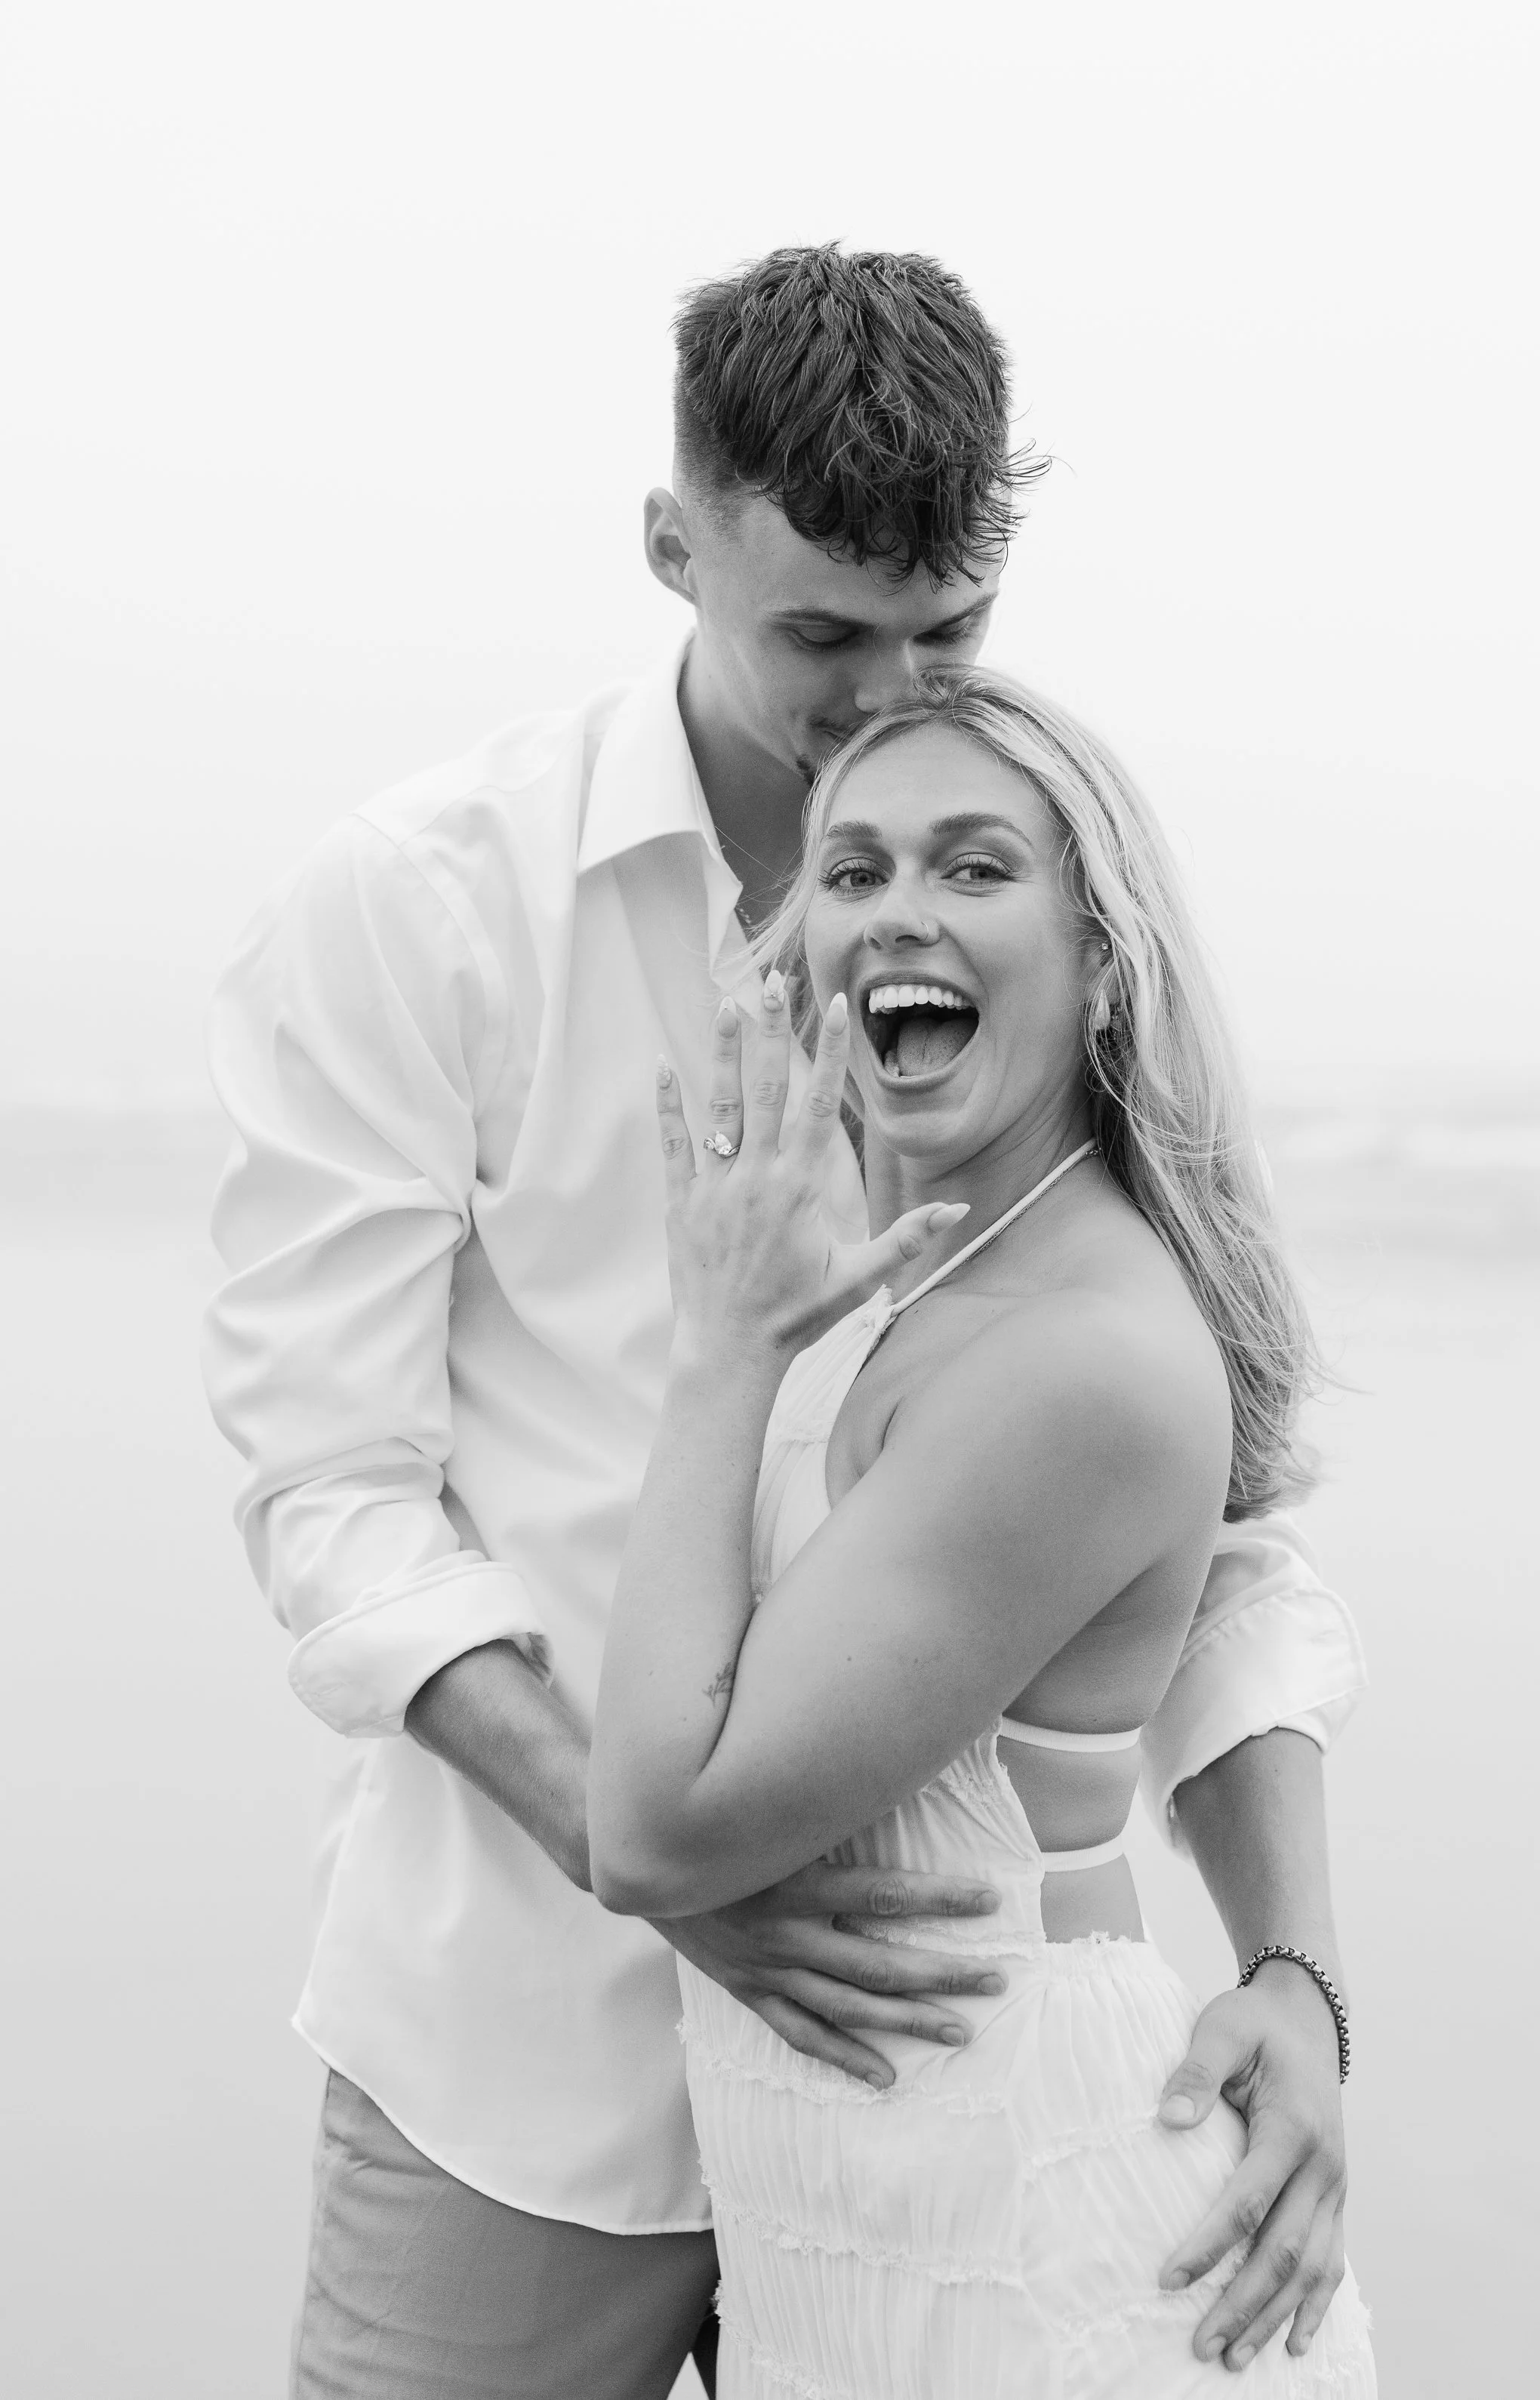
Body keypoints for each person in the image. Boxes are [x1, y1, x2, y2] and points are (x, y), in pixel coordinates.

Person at [204, 246, 1366, 2399]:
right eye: (823, 635)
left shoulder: (1031, 893)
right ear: (674, 547)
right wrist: (663, 1867)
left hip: (958, 2108)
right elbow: (334, 1502)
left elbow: (1211, 1522)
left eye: (950, 631)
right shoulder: (421, 902)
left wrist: (1297, 1965)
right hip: (526, 2061)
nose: (889, 694)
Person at [587, 666, 1377, 2394]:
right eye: (852, 870)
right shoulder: (918, 1255)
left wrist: (719, 1351)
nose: (898, 911)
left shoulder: (1074, 1357)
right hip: (869, 2241)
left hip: (1048, 2254)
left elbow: (654, 1824)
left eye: (973, 865)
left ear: (1105, 959)